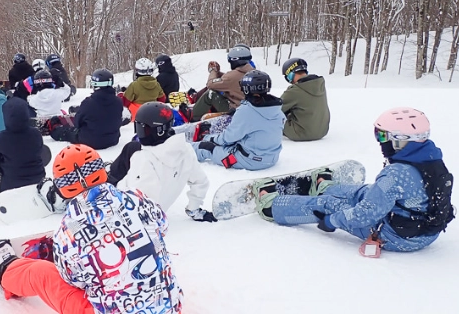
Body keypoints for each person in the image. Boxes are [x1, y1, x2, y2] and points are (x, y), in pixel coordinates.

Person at [0, 144, 183, 314]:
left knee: (44, 274)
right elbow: (162, 226)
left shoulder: (67, 231)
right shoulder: (138, 198)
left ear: (61, 187)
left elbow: (72, 279)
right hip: (170, 307)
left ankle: (8, 270)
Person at [255, 107, 454, 253]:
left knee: (329, 205)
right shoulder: (431, 160)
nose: (381, 142)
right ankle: (328, 187)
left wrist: (331, 221)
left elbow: (363, 216)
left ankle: (273, 207)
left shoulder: (395, 175)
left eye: (383, 136)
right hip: (424, 230)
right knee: (365, 192)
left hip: (399, 236)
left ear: (400, 140)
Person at [108, 101, 214, 221]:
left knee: (130, 148)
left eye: (143, 129)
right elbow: (201, 181)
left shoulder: (144, 159)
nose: (139, 133)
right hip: (158, 209)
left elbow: (137, 198)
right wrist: (194, 208)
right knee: (132, 147)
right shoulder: (185, 150)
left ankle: (108, 176)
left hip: (125, 211)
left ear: (158, 130)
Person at [192, 70, 284, 170]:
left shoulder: (247, 111)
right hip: (271, 158)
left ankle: (181, 153)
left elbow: (228, 138)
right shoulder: (277, 109)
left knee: (205, 147)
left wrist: (210, 138)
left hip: (248, 161)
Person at [49, 68, 123, 150]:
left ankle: (54, 129)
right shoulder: (118, 101)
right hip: (113, 139)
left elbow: (77, 123)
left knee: (67, 132)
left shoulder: (89, 103)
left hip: (91, 141)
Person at [191, 44, 255, 119]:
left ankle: (193, 117)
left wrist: (213, 71)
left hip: (235, 110)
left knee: (211, 94)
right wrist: (218, 73)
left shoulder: (232, 76)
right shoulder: (253, 72)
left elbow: (210, 84)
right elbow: (230, 80)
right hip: (247, 109)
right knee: (219, 89)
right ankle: (198, 102)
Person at [281, 57, 330, 141]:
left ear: (291, 74)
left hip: (300, 133)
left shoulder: (295, 90)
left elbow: (276, 109)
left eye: (287, 77)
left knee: (272, 116)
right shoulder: (319, 84)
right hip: (322, 131)